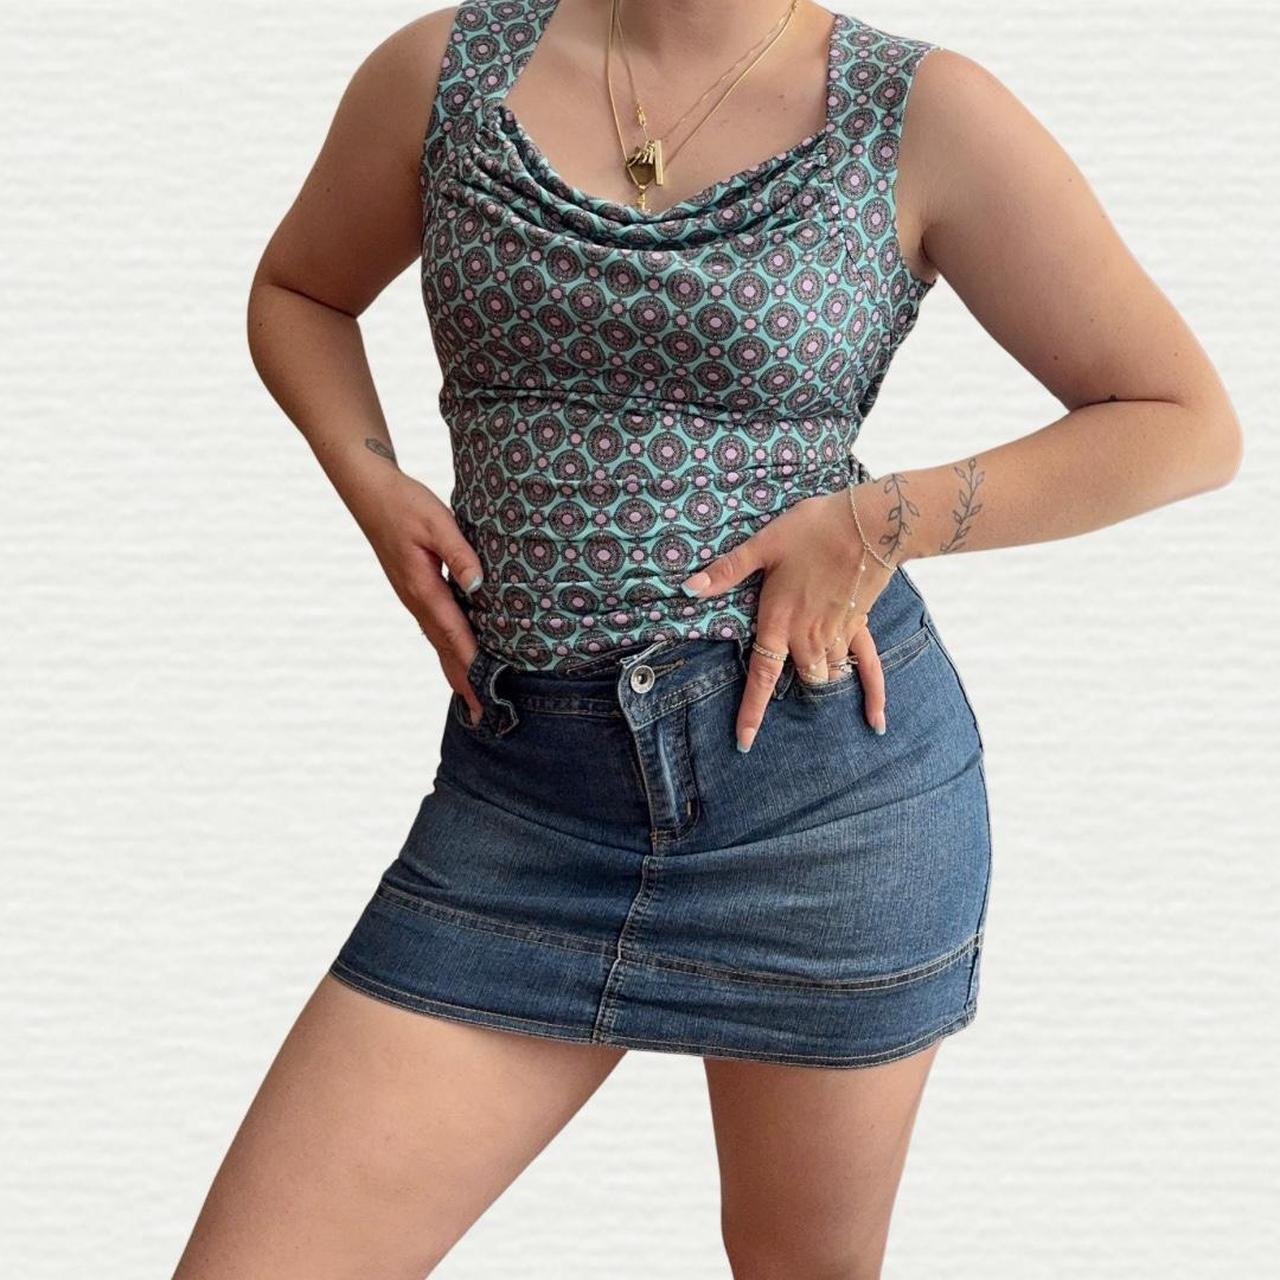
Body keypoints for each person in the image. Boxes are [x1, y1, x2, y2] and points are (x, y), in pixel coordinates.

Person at [174, 1, 1242, 1275]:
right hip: (522, 798)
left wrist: (878, 519)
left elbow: (1179, 419)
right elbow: (300, 290)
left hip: (818, 800)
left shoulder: (918, 109)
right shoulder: (442, 71)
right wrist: (369, 477)